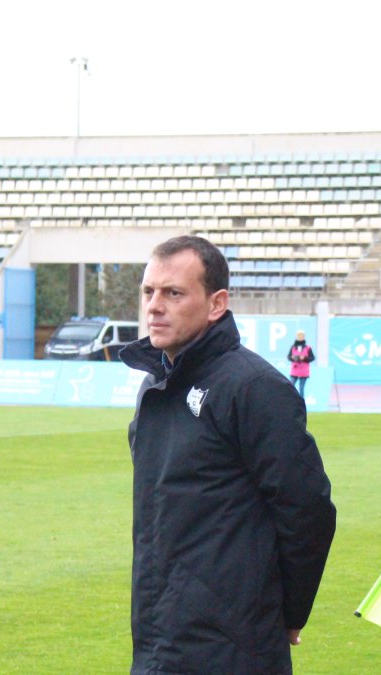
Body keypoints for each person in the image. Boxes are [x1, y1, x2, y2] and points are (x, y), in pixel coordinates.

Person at [120, 235, 337, 674]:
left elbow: (307, 510)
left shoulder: (255, 388)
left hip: (235, 644)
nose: (154, 306)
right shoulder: (153, 387)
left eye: (173, 293)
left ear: (216, 303)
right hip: (159, 636)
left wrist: (289, 610)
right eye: (149, 292)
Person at [287, 330, 316, 398]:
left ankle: (301, 402)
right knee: (291, 386)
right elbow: (289, 357)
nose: (300, 336)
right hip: (295, 370)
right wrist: (293, 358)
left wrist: (304, 358)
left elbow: (312, 358)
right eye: (299, 335)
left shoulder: (308, 348)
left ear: (304, 336)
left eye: (301, 335)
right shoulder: (293, 347)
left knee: (301, 388)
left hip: (304, 371)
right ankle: (290, 400)